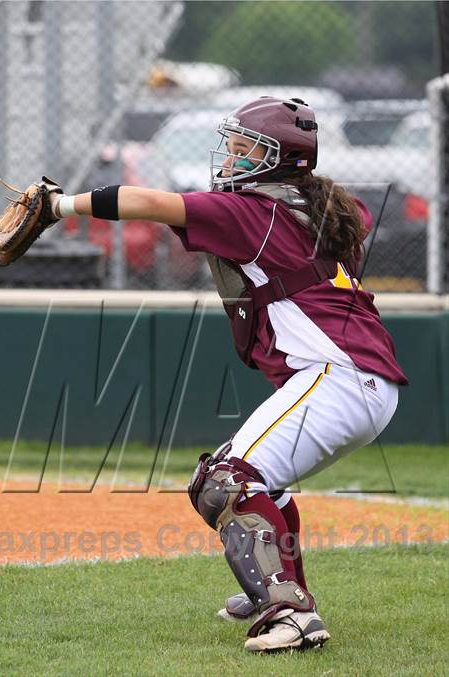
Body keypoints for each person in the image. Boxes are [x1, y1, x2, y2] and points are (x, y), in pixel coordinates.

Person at [50, 97, 407, 653]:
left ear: (283, 159)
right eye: (235, 148)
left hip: (337, 375)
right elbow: (348, 210)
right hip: (361, 380)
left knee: (228, 481)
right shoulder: (325, 207)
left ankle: (291, 611)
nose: (234, 160)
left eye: (248, 150)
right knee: (243, 480)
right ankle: (277, 590)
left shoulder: (253, 213)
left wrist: (58, 205)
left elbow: (144, 200)